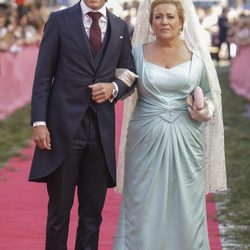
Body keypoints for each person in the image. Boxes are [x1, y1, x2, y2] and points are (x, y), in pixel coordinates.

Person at [113, 0, 227, 249]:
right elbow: (122, 87)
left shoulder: (196, 58)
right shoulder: (136, 53)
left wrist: (203, 110)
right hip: (145, 138)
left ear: (181, 23)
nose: (164, 21)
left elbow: (209, 96)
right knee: (142, 200)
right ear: (150, 23)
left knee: (185, 201)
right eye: (158, 17)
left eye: (170, 17)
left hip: (187, 138)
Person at [28, 0, 135, 249]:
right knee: (59, 212)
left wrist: (113, 88)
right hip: (62, 130)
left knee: (92, 215)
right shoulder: (59, 21)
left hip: (101, 131)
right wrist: (39, 121)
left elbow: (129, 72)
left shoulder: (120, 27)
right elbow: (43, 75)